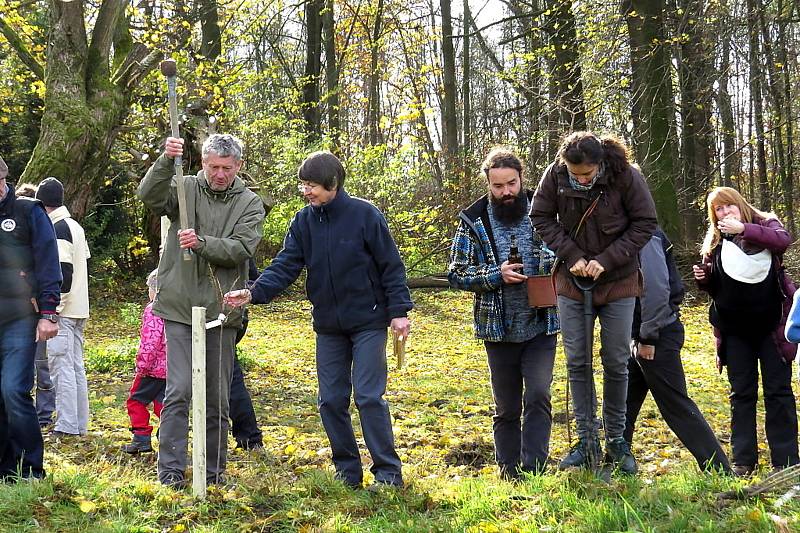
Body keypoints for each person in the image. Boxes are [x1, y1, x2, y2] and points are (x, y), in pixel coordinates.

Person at [224, 151, 412, 489]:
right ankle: (347, 471)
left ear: (333, 184)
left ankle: (387, 472)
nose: (306, 192)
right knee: (330, 400)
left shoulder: (366, 215)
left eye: (312, 186)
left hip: (369, 321)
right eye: (303, 186)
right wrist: (254, 292)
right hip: (328, 326)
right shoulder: (303, 222)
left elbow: (391, 266)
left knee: (368, 397)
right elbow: (285, 265)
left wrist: (399, 313)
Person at [138, 134, 264, 488]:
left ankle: (212, 473)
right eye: (213, 166)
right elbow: (149, 196)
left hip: (221, 311)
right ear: (203, 163)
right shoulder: (185, 188)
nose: (219, 174)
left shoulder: (251, 203)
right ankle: (171, 473)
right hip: (178, 306)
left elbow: (241, 248)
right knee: (178, 390)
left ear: (238, 166)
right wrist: (165, 160)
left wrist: (202, 243)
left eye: (226, 168)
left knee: (216, 397)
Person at [530, 131, 657, 474]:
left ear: (599, 164)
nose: (580, 179)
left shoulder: (626, 175)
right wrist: (571, 255)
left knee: (616, 359)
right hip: (572, 282)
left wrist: (608, 258)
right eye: (575, 174)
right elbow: (540, 217)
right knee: (577, 361)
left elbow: (646, 222)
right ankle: (586, 441)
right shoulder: (554, 174)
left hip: (619, 280)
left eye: (586, 174)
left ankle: (617, 440)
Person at [448, 148, 559, 480]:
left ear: (521, 178)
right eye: (498, 186)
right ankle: (509, 469)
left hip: (542, 323)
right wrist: (496, 274)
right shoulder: (474, 220)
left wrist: (551, 266)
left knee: (539, 394)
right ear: (488, 185)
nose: (506, 192)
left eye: (511, 184)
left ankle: (536, 466)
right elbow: (456, 273)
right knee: (507, 406)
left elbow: (566, 254)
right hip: (497, 328)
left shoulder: (545, 212)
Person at [693, 187, 798, 476]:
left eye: (729, 207)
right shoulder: (715, 241)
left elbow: (783, 241)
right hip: (734, 330)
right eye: (718, 210)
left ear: (739, 205)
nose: (725, 213)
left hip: (772, 328)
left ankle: (787, 462)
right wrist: (704, 279)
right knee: (741, 393)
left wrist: (744, 229)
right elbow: (719, 286)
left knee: (778, 391)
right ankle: (743, 461)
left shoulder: (766, 224)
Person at [625, 228, 731, 473]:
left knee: (676, 405)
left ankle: (718, 468)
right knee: (623, 402)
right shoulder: (628, 232)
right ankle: (616, 461)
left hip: (655, 334)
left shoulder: (645, 235)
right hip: (636, 333)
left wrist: (647, 337)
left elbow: (656, 289)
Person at [0, 155, 61, 481]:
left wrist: (49, 312)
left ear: (3, 180)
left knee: (13, 390)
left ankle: (30, 468)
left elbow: (48, 261)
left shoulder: (28, 211)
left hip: (21, 316)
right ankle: (5, 469)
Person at [35, 177, 91, 438]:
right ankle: (78, 423)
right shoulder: (74, 226)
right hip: (78, 308)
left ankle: (67, 426)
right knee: (75, 367)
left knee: (61, 368)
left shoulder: (57, 228)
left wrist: (53, 310)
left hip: (64, 311)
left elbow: (63, 273)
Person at [13, 183, 56, 428]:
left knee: (38, 370)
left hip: (35, 310)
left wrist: (48, 310)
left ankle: (43, 415)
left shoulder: (54, 227)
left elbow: (57, 269)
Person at [122, 269, 166, 454]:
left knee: (136, 401)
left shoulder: (154, 309)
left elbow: (151, 340)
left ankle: (141, 437)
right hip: (173, 367)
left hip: (152, 369)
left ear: (154, 289)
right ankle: (167, 434)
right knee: (162, 403)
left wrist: (142, 365)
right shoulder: (177, 307)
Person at [229, 257, 264, 451]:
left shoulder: (236, 242)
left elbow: (253, 279)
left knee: (230, 378)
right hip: (233, 315)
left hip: (227, 315)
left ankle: (250, 437)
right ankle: (249, 437)